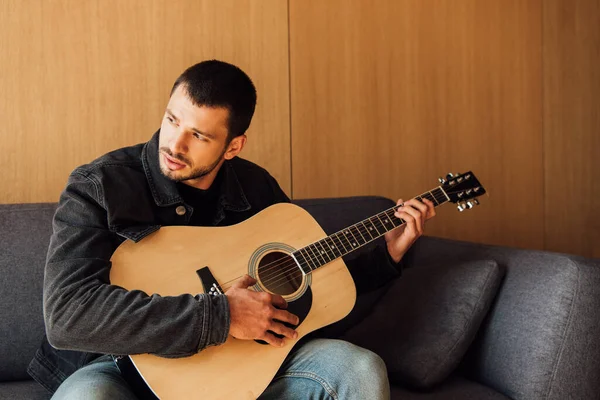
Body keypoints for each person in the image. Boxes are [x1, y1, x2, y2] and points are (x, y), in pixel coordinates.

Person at [27, 60, 436, 399]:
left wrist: (387, 254)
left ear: (234, 146)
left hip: (240, 370)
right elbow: (67, 317)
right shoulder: (100, 185)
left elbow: (311, 286)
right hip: (123, 369)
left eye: (199, 135)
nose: (174, 144)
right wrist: (222, 315)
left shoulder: (257, 188)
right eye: (172, 119)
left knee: (358, 369)